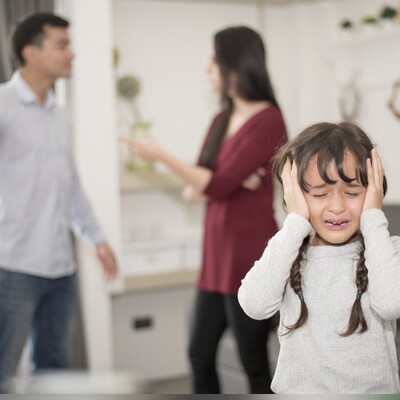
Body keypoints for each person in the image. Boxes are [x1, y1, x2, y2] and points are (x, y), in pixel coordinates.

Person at [120, 26, 287, 393]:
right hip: (215, 259)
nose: (208, 68)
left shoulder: (269, 119)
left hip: (248, 258)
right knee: (199, 353)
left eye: (213, 59)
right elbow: (193, 191)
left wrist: (162, 155)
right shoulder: (220, 120)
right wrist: (222, 181)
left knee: (253, 362)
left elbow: (212, 184)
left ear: (235, 63)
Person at [0, 13, 118, 393]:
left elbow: (70, 186)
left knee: (56, 376)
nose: (72, 54)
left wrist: (97, 238)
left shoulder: (60, 114)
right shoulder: (3, 106)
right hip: (13, 266)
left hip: (61, 269)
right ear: (31, 53)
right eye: (62, 45)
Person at [238, 122, 400, 394]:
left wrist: (373, 217)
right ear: (296, 195)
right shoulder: (287, 251)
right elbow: (254, 305)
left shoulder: (386, 249)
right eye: (320, 194)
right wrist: (294, 222)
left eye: (352, 193)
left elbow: (390, 304)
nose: (336, 207)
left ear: (374, 193)